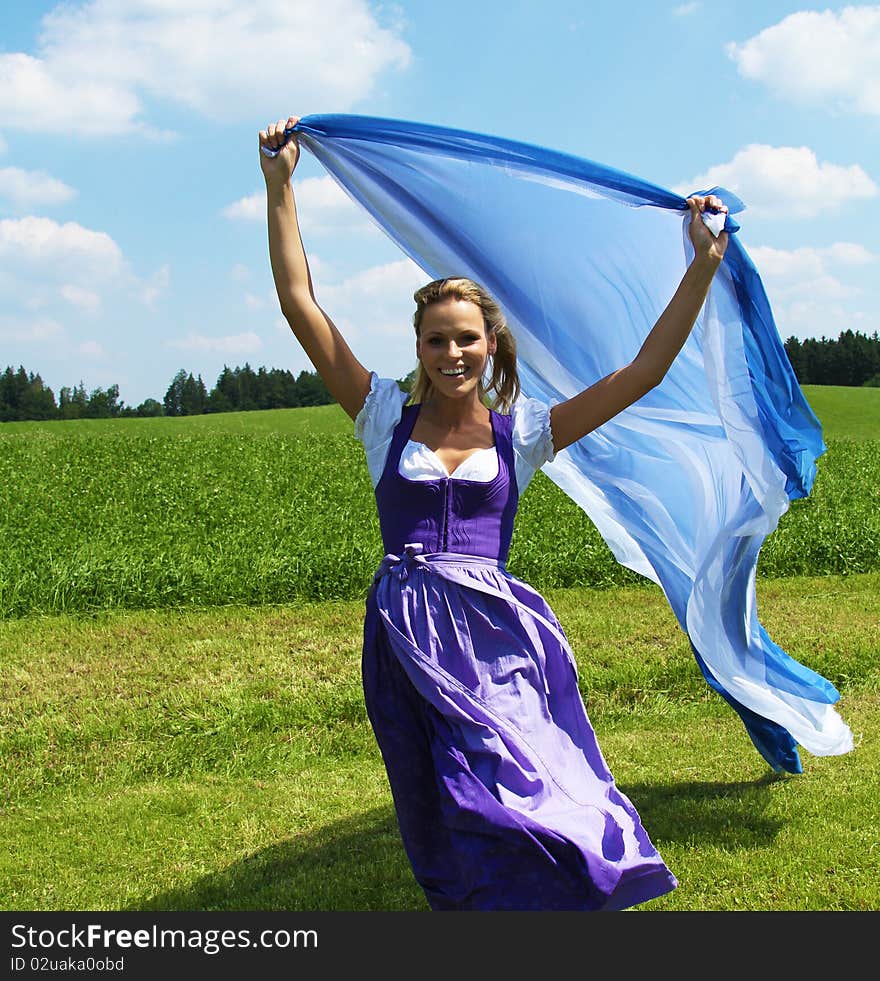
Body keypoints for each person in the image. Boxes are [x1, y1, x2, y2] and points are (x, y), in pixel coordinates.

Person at [260, 114, 729, 911]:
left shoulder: (529, 434)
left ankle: (591, 866)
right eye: (437, 340)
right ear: (418, 347)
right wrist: (281, 187)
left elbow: (643, 372)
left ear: (490, 345)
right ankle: (483, 901)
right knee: (436, 786)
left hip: (497, 630)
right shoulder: (381, 418)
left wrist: (701, 268)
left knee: (520, 764)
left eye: (466, 340)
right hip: (405, 632)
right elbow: (302, 305)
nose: (452, 354)